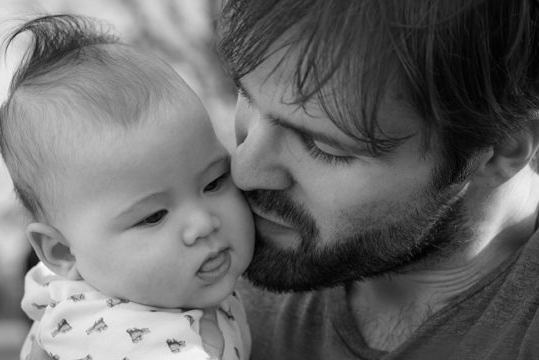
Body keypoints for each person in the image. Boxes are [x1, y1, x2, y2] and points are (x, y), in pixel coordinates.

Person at [217, 0, 539, 359]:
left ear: (502, 152)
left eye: (324, 146)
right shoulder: (199, 249)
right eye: (246, 95)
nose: (243, 172)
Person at [0, 15, 254, 360]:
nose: (204, 224)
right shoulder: (112, 337)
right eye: (153, 217)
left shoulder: (153, 292)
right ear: (63, 252)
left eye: (214, 182)